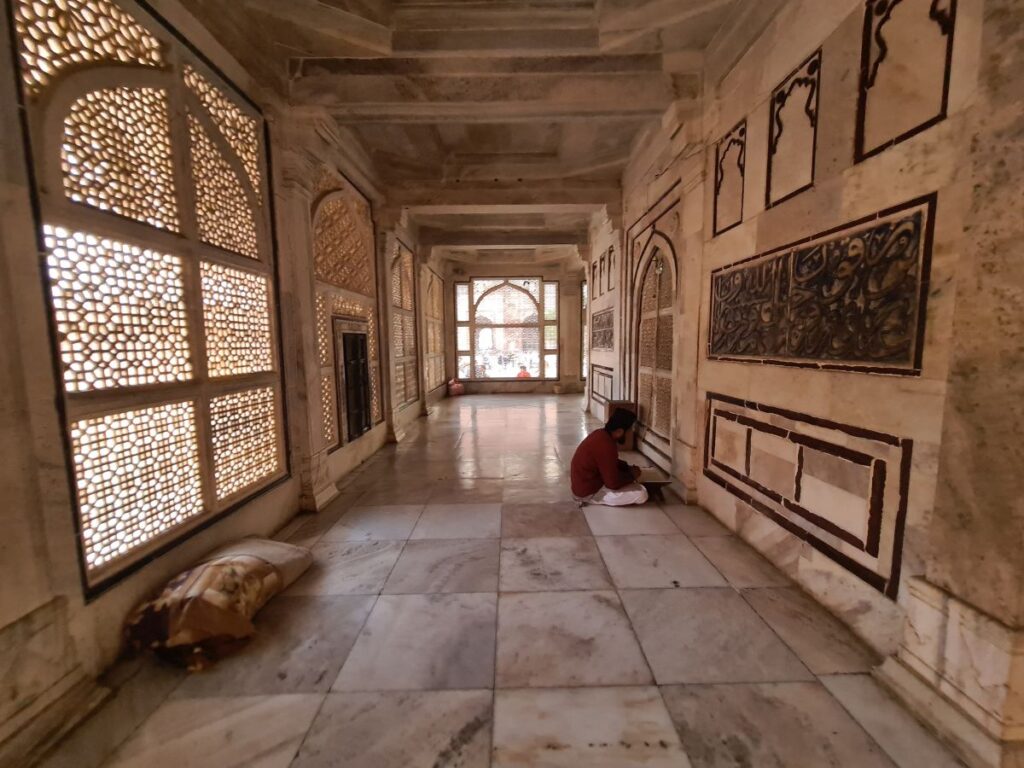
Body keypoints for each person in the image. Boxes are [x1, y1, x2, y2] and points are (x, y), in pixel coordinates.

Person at [570, 408, 649, 506]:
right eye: (630, 430)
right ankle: (595, 500)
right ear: (620, 431)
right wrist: (632, 475)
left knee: (633, 485)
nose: (630, 434)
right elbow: (612, 483)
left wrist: (626, 467)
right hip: (589, 493)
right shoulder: (606, 444)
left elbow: (607, 462)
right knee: (642, 494)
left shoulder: (601, 434)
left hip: (587, 484)